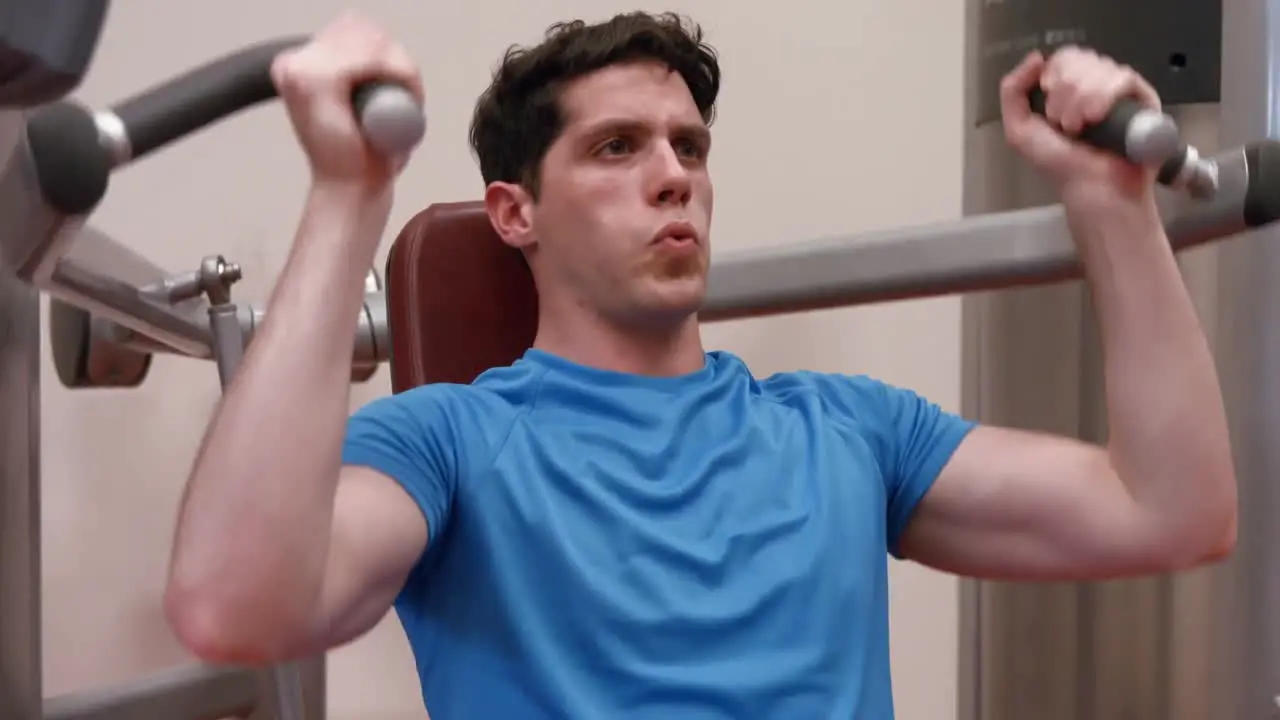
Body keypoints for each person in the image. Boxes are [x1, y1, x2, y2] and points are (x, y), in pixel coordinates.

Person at [163, 9, 1238, 719]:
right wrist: (347, 198)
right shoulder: (449, 443)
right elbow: (235, 609)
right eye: (616, 148)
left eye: (689, 146)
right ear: (514, 211)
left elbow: (1171, 511)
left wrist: (1110, 206)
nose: (673, 175)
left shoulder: (846, 431)